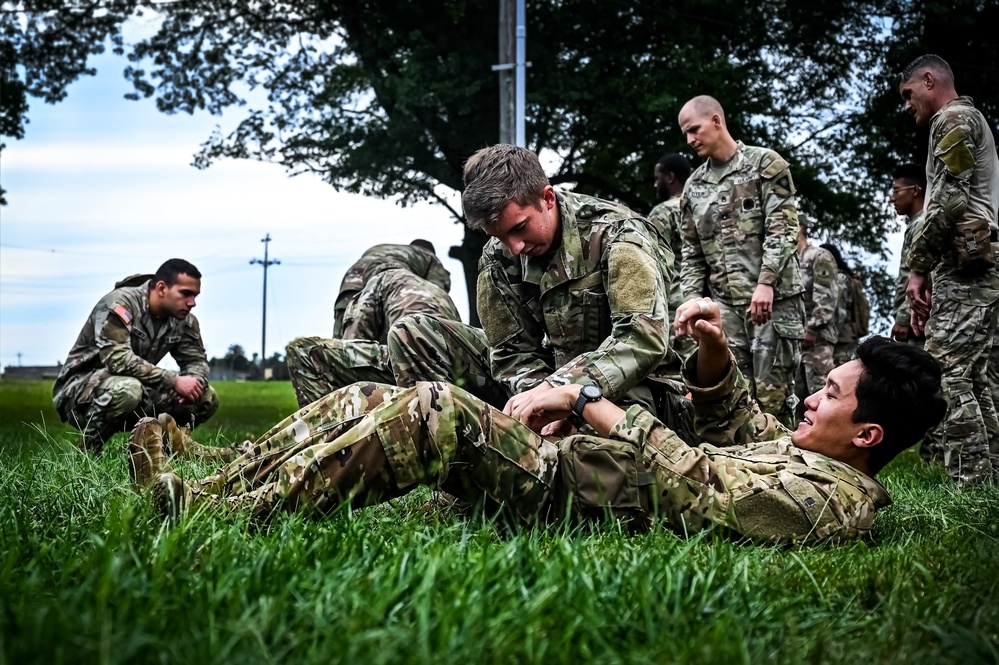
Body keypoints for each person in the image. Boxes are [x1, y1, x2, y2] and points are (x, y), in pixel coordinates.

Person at [128, 297, 946, 545]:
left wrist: (594, 404)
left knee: (433, 408)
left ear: (866, 435)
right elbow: (735, 427)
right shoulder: (809, 452)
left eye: (830, 393)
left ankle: (215, 515)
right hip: (582, 463)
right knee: (373, 397)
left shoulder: (830, 503)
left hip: (578, 492)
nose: (811, 397)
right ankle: (211, 475)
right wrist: (712, 352)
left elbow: (710, 490)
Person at [387, 144, 689, 438]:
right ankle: (452, 456)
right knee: (412, 333)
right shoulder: (498, 255)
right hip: (544, 382)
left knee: (598, 450)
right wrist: (537, 401)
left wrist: (562, 394)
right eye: (500, 236)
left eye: (519, 228)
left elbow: (642, 339)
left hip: (625, 385)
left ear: (547, 198)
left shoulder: (619, 235)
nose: (514, 247)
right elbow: (510, 351)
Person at [896, 54, 999, 485]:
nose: (907, 106)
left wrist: (918, 268)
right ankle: (989, 476)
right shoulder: (970, 120)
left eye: (908, 95)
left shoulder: (953, 119)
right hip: (977, 266)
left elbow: (949, 201)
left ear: (929, 79)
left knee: (944, 373)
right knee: (973, 378)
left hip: (968, 269)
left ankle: (972, 482)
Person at [677, 95, 804, 426]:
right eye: (685, 134)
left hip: (773, 301)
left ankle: (789, 467)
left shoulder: (765, 165)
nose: (690, 140)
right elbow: (691, 254)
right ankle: (745, 470)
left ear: (717, 121)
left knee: (774, 395)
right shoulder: (693, 188)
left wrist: (766, 283)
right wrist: (692, 303)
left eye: (694, 130)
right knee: (733, 396)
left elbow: (784, 230)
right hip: (726, 309)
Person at [53, 258, 228, 459]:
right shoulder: (120, 304)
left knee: (205, 397)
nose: (192, 303)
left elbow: (196, 360)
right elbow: (118, 359)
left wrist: (194, 382)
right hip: (81, 393)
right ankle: (85, 455)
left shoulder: (184, 320)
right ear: (162, 288)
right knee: (129, 390)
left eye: (195, 296)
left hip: (137, 388)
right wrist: (174, 380)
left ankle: (163, 454)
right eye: (185, 294)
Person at [286, 267, 461, 407]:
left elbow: (352, 342)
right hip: (452, 375)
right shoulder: (441, 294)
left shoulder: (382, 279)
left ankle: (331, 442)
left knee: (303, 351)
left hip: (410, 364)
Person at [331, 240, 451, 338]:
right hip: (386, 282)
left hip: (353, 280)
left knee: (344, 334)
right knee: (385, 340)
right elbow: (436, 293)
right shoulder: (429, 256)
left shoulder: (385, 247)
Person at [648, 153, 696, 361]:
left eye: (657, 179)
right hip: (708, 298)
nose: (655, 185)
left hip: (676, 304)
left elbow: (652, 260)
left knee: (679, 367)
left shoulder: (663, 213)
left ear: (670, 177)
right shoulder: (703, 208)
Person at [794, 218, 840, 414]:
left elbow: (826, 299)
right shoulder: (791, 260)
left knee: (821, 391)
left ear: (800, 228)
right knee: (797, 395)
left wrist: (812, 329)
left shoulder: (819, 256)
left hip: (817, 339)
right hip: (795, 338)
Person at [889, 164, 928, 347]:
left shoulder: (922, 224)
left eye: (897, 191)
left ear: (914, 191)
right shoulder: (916, 224)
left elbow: (920, 272)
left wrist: (903, 317)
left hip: (917, 320)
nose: (892, 198)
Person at [821, 244, 867, 366]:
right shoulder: (836, 277)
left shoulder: (840, 278)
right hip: (839, 336)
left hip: (841, 338)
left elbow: (839, 311)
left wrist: (829, 337)